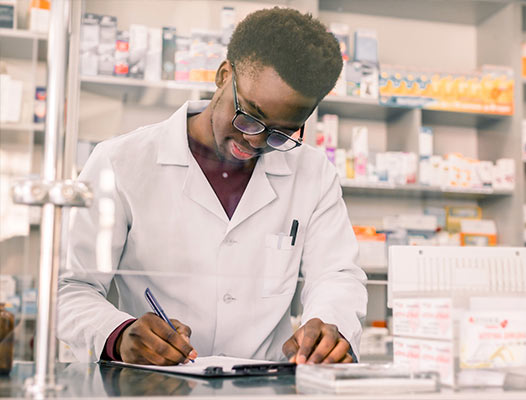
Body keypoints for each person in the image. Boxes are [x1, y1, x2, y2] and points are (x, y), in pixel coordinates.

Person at [58, 7, 367, 366]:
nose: (256, 141)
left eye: (281, 133)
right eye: (250, 116)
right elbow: (70, 288)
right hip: (154, 383)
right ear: (224, 76)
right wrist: (118, 334)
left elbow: (337, 275)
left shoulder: (313, 172)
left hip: (262, 386)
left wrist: (330, 327)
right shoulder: (120, 161)